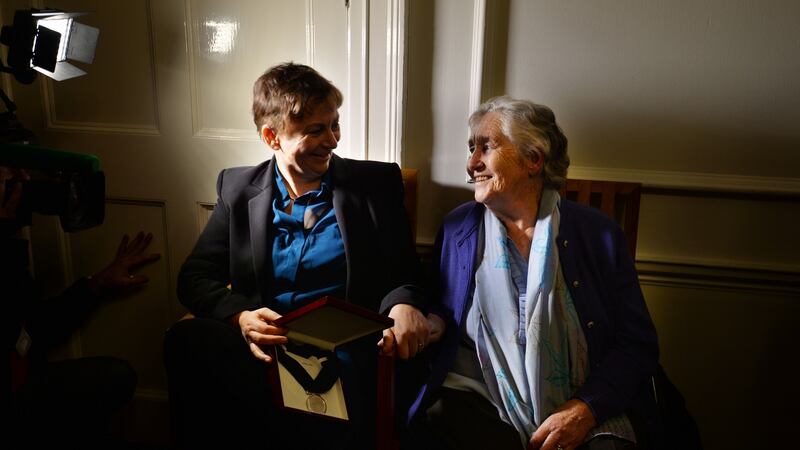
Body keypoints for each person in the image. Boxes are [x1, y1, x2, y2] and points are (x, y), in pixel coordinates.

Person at [164, 62, 429, 449]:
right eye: (315, 130)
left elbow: (407, 274)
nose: (333, 140)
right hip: (266, 350)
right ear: (272, 137)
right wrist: (240, 315)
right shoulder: (238, 189)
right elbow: (195, 276)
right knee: (186, 340)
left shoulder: (375, 186)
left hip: (342, 350)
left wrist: (404, 304)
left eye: (334, 124)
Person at [407, 96, 663, 450]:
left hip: (584, 400)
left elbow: (637, 345)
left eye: (486, 147)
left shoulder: (598, 235)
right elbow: (442, 307)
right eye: (471, 149)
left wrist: (585, 409)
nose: (471, 164)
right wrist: (431, 323)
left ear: (533, 160)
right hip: (479, 396)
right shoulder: (458, 229)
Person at [1, 166, 161, 449]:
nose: (23, 181)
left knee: (114, 377)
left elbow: (35, 327)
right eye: (9, 177)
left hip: (24, 377)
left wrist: (96, 284)